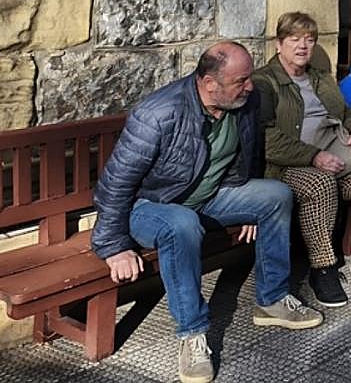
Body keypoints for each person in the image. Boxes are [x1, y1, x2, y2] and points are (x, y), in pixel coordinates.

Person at [92, 42, 322, 383]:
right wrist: (114, 247)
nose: (250, 85)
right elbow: (114, 184)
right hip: (151, 207)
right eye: (241, 80)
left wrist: (246, 203)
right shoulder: (158, 114)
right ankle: (192, 334)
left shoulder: (245, 101)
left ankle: (272, 299)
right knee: (181, 224)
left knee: (276, 195)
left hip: (210, 196)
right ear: (210, 84)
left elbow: (247, 153)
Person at [255, 12, 351, 308]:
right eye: (295, 40)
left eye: (310, 40)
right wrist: (313, 156)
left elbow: (345, 112)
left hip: (333, 147)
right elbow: (266, 139)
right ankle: (322, 267)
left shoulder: (320, 77)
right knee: (320, 183)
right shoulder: (265, 82)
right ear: (279, 44)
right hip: (289, 164)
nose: (303, 46)